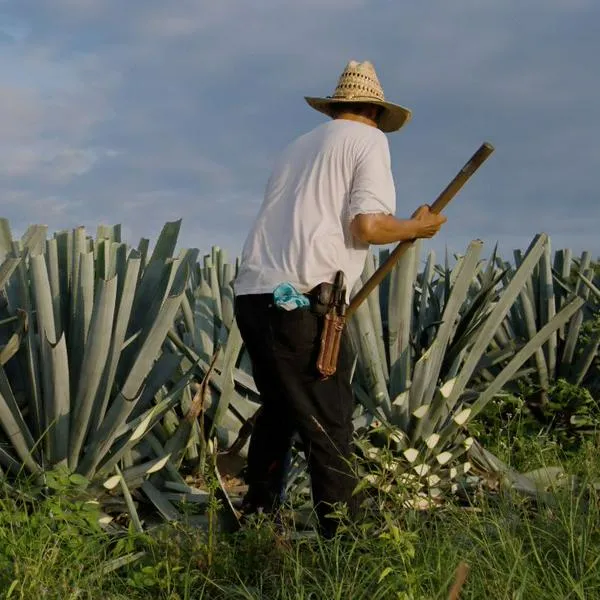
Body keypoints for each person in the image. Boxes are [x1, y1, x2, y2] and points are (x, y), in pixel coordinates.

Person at [233, 60, 447, 537]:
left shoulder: (296, 148)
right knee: (328, 421)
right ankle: (344, 540)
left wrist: (408, 226)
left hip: (253, 293)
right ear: (374, 110)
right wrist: (419, 227)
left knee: (282, 407)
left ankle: (258, 518)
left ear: (336, 107)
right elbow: (368, 227)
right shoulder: (368, 141)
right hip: (304, 299)